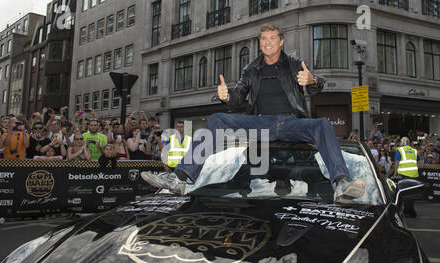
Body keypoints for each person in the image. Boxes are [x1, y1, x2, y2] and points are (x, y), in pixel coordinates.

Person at [141, 23, 366, 203]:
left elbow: (318, 85)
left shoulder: (295, 64)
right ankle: (181, 178)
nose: (267, 43)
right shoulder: (251, 69)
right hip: (261, 124)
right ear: (260, 43)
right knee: (217, 119)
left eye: (272, 39)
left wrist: (313, 80)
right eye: (263, 39)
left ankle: (341, 184)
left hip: (291, 123)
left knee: (323, 125)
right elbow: (239, 94)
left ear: (281, 41)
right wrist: (227, 96)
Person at [393, 137, 420, 218]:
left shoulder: (400, 150)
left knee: (403, 194)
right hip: (414, 175)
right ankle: (410, 210)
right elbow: (418, 161)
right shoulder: (414, 150)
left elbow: (397, 161)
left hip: (404, 175)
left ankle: (405, 211)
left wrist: (395, 172)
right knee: (411, 194)